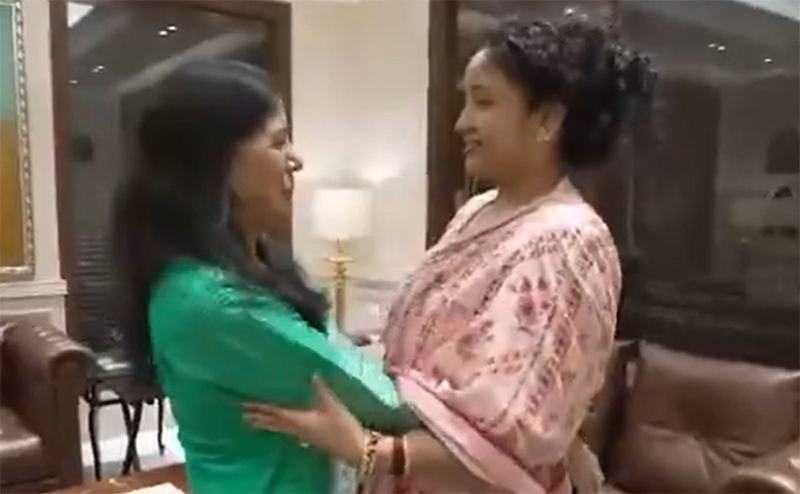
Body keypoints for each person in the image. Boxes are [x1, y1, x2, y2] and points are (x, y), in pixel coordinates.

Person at [242, 18, 656, 494]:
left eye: (484, 102)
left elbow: (513, 433)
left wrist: (367, 449)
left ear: (546, 121)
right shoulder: (479, 210)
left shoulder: (570, 242)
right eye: (465, 101)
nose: (463, 122)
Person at [110, 60, 415, 494]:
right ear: (221, 164)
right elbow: (386, 404)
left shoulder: (245, 267)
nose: (296, 160)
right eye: (278, 142)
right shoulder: (212, 300)